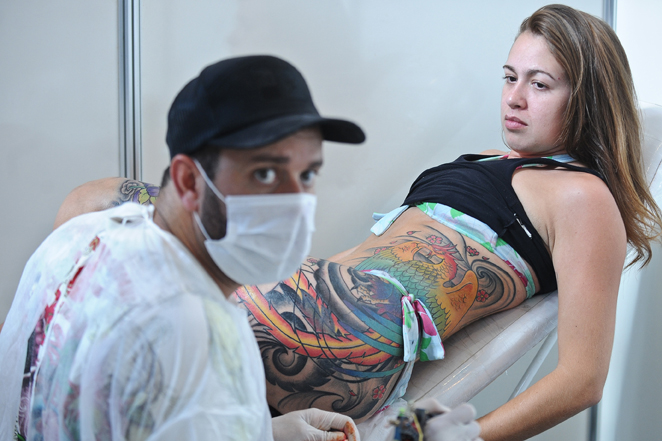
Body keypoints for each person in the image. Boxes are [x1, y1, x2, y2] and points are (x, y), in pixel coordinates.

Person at [43, 4, 661, 440]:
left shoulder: (583, 196)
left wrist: (450, 438)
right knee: (90, 205)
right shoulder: (491, 161)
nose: (514, 97)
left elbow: (582, 379)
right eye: (509, 77)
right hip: (302, 296)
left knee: (98, 306)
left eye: (540, 84)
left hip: (336, 334)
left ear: (587, 98)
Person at [0, 55, 481, 441]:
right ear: (189, 181)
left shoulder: (80, 239)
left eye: (307, 174)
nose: (295, 202)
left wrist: (258, 431)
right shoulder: (204, 333)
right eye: (264, 173)